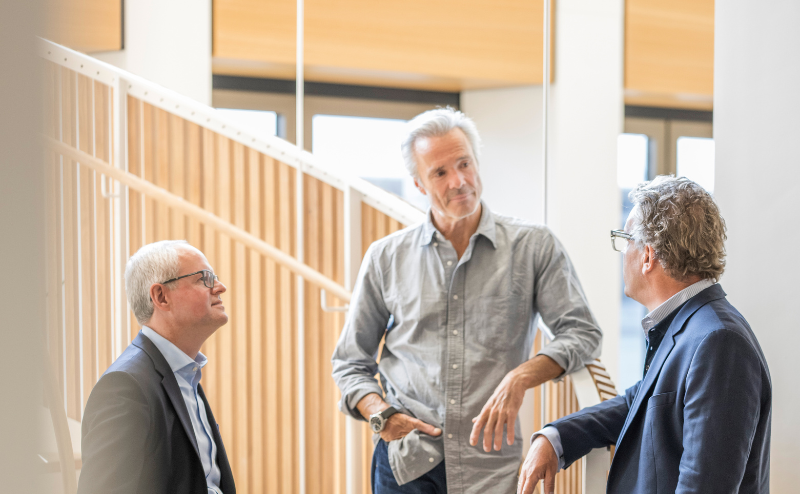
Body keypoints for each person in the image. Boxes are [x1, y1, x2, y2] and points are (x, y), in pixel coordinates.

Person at [331, 108, 602, 493]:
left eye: (464, 164)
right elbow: (349, 362)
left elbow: (582, 333)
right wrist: (381, 416)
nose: (459, 181)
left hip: (490, 469)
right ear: (419, 184)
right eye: (440, 172)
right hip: (406, 464)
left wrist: (519, 377)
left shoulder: (534, 247)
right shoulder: (386, 257)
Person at [518, 176, 772, 494]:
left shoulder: (718, 341)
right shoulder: (691, 324)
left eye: (626, 240)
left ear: (648, 256)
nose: (623, 252)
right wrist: (555, 437)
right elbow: (640, 401)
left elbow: (703, 487)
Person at [78, 240, 236, 494]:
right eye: (204, 279)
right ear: (161, 297)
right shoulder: (125, 387)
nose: (220, 287)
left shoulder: (186, 373)